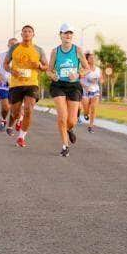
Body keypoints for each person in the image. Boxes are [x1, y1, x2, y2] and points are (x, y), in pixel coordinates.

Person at [46, 23, 90, 157]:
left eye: (70, 33)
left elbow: (87, 68)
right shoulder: (55, 51)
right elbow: (49, 70)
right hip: (58, 85)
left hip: (73, 86)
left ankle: (70, 129)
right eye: (65, 33)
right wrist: (52, 75)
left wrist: (78, 74)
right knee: (62, 116)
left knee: (71, 120)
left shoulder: (77, 50)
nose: (68, 35)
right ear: (60, 35)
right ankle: (65, 146)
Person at [4, 25, 48, 148]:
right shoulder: (14, 48)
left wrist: (39, 66)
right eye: (24, 32)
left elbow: (46, 66)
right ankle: (18, 118)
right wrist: (13, 71)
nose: (27, 33)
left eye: (29, 32)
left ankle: (21, 137)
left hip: (32, 84)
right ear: (21, 34)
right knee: (14, 113)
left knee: (29, 109)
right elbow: (5, 64)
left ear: (33, 35)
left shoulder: (38, 50)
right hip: (16, 84)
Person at [0, 38, 18, 133]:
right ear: (8, 45)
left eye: (15, 45)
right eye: (11, 44)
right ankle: (3, 119)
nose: (12, 46)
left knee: (14, 109)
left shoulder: (20, 57)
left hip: (16, 84)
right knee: (6, 107)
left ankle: (10, 126)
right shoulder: (2, 55)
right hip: (3, 83)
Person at [81, 52, 103, 134]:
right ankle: (86, 114)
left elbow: (101, 79)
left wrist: (100, 80)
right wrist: (86, 87)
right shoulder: (85, 69)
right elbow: (79, 80)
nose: (93, 59)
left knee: (93, 108)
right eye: (91, 58)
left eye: (94, 58)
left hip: (95, 91)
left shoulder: (98, 69)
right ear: (88, 60)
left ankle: (90, 126)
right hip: (85, 91)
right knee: (86, 107)